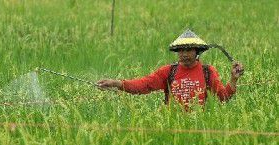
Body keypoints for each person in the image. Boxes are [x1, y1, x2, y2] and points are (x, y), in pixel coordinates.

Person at [97, 29, 244, 108]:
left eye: (188, 50)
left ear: (197, 52)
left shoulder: (208, 72)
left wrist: (233, 79)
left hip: (199, 127)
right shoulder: (168, 72)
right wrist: (117, 83)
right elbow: (144, 85)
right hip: (172, 127)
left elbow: (223, 98)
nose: (184, 54)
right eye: (180, 50)